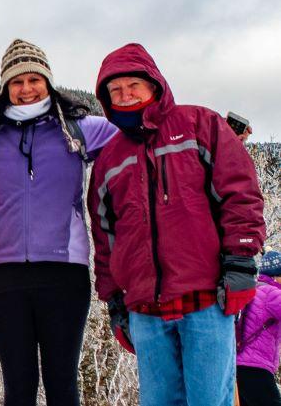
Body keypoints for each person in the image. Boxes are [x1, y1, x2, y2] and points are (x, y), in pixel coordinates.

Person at [87, 43, 266, 406]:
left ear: (154, 83)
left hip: (207, 302)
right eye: (115, 90)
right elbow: (105, 237)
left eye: (132, 85)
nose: (125, 95)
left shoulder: (201, 125)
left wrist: (241, 263)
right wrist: (114, 301)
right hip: (145, 313)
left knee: (210, 401)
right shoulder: (110, 159)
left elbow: (240, 194)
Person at [0, 39, 117, 406]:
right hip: (3, 275)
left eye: (33, 79)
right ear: (5, 87)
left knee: (62, 385)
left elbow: (135, 136)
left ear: (47, 81)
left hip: (63, 272)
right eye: (16, 82)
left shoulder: (79, 129)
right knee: (18, 387)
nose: (26, 90)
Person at [236, 248, 281, 406]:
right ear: (277, 275)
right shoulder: (273, 293)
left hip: (239, 366)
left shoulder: (254, 290)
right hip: (257, 367)